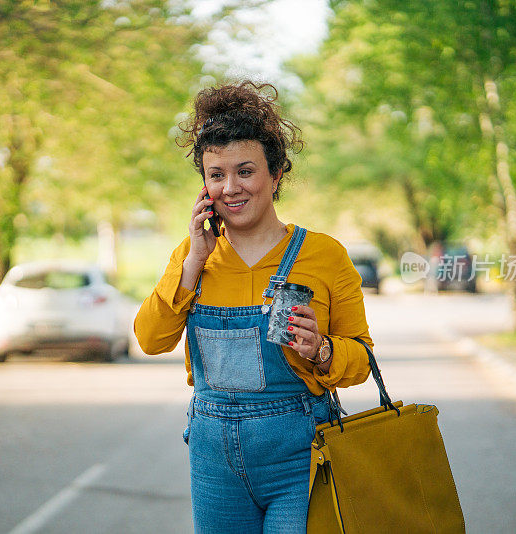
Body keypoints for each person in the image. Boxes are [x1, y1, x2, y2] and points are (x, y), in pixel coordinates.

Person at [134, 80, 373, 533]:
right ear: (204, 184)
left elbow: (362, 358)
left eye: (245, 171)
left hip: (300, 457)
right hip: (213, 463)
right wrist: (192, 263)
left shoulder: (324, 255)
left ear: (276, 174)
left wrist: (321, 350)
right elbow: (150, 339)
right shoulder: (192, 256)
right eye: (216, 174)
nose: (230, 188)